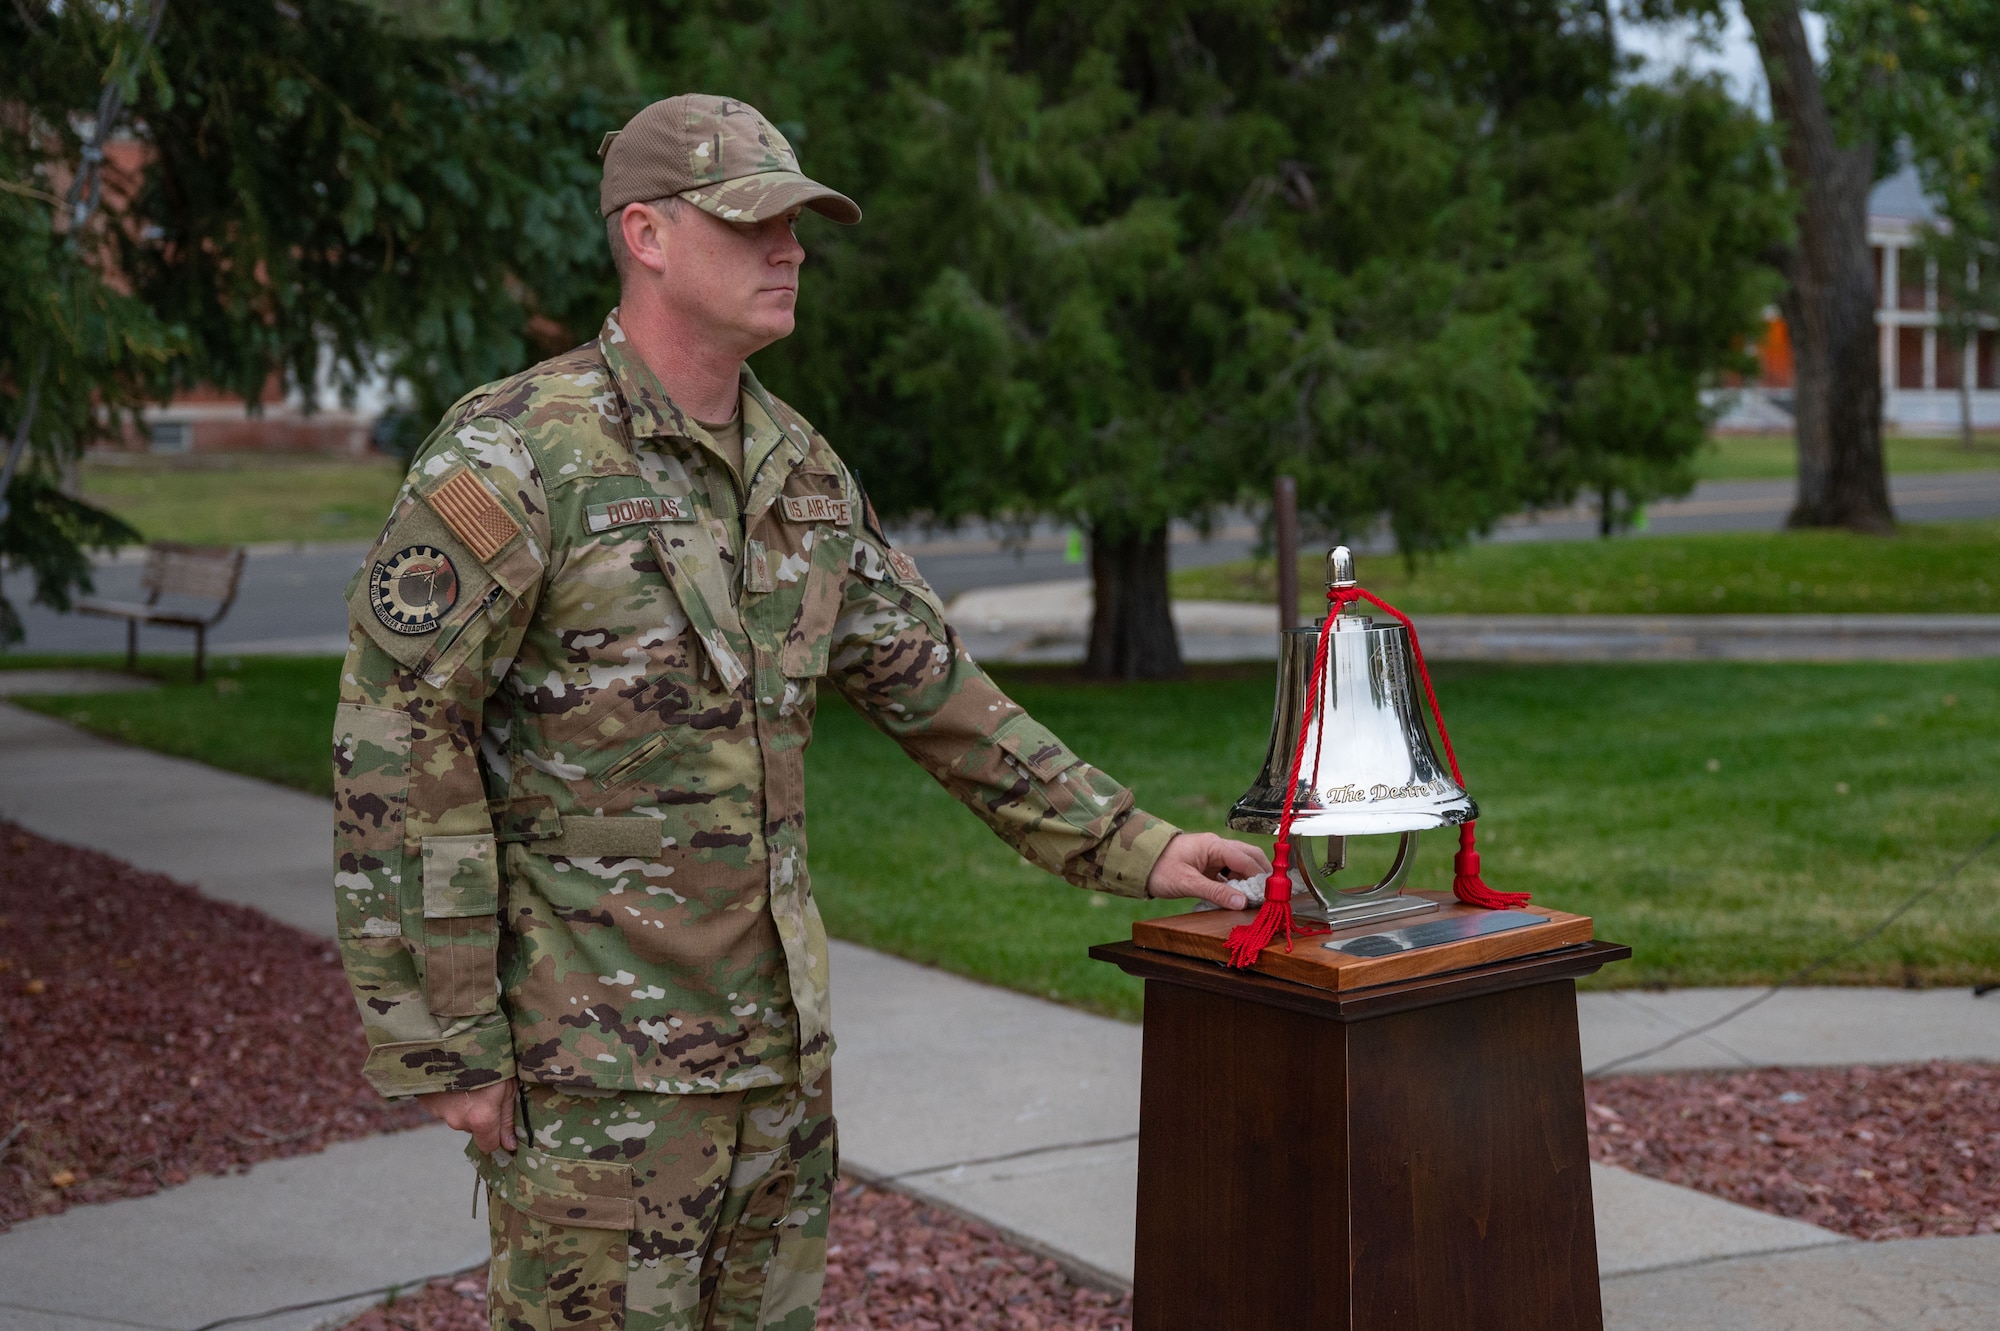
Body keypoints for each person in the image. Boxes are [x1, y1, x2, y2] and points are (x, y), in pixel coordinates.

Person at [331, 93, 1269, 1331]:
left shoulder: (801, 473)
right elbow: (400, 740)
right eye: (753, 222)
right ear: (646, 234)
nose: (791, 249)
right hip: (597, 1074)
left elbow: (937, 693)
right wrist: (445, 1038)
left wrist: (1136, 842)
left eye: (799, 223)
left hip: (777, 1064)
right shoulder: (514, 457)